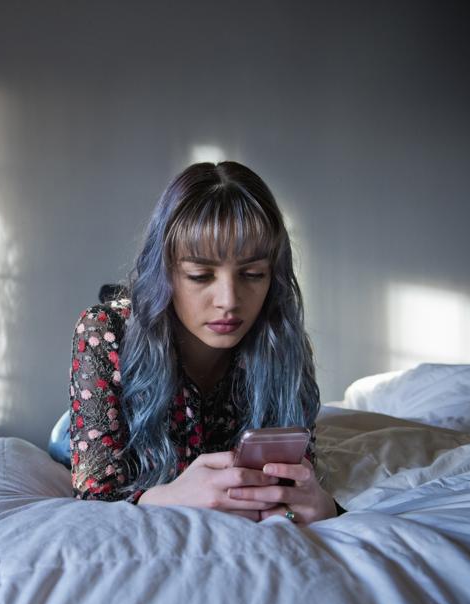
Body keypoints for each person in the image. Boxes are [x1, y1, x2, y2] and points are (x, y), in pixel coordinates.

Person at [68, 161, 341, 524]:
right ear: (165, 272)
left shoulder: (283, 344)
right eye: (200, 275)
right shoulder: (103, 331)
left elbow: (297, 478)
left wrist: (324, 506)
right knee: (64, 441)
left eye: (252, 274)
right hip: (113, 384)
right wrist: (167, 496)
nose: (229, 300)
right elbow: (93, 491)